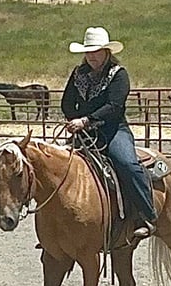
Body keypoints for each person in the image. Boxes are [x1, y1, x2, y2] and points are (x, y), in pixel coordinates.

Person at [61, 26, 157, 239]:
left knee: (127, 164)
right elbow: (67, 102)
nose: (92, 56)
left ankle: (147, 215)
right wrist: (72, 120)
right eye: (89, 52)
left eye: (96, 52)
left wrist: (85, 120)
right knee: (57, 167)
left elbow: (114, 106)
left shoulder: (118, 75)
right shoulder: (78, 74)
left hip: (113, 130)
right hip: (84, 133)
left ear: (107, 52)